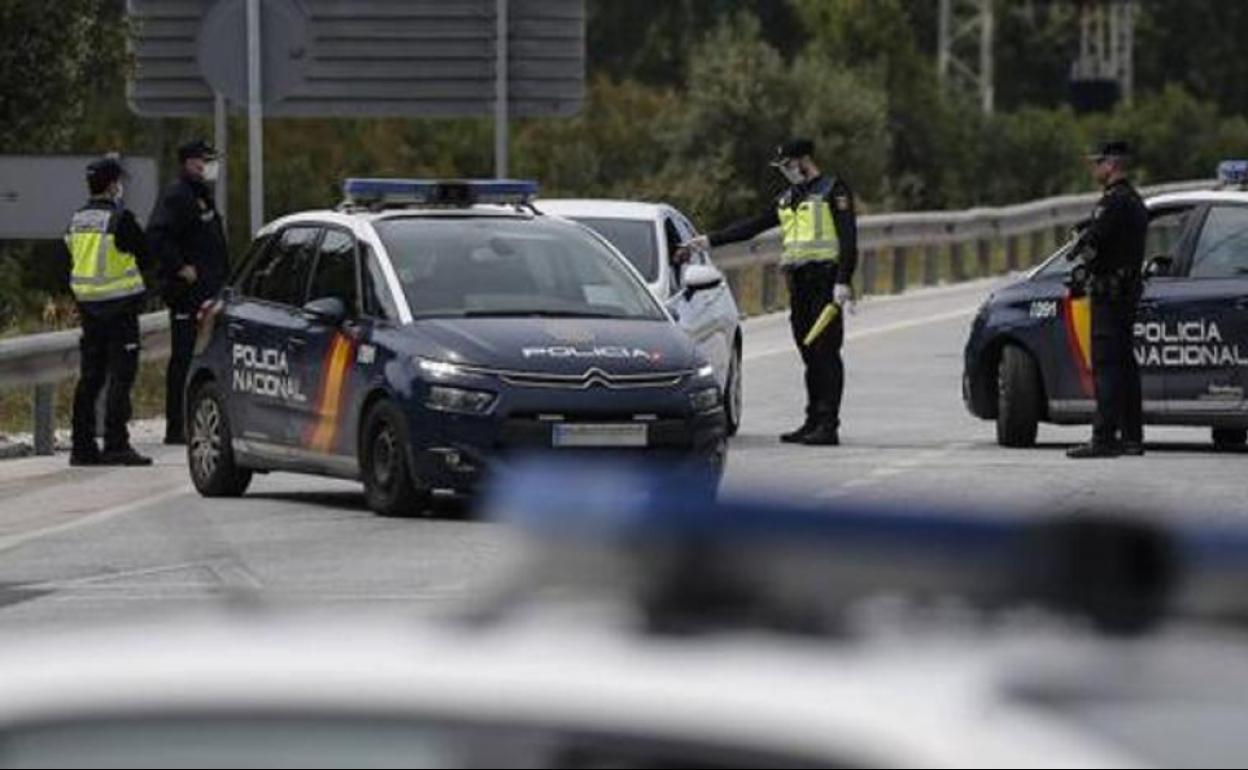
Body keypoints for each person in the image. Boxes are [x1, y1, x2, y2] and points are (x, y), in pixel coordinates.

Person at [681, 138, 858, 445]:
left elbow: (848, 238)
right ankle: (812, 420)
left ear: (804, 160)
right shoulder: (789, 197)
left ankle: (828, 425)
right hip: (799, 284)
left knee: (825, 353)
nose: (785, 171)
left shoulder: (833, 190)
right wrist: (709, 241)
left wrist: (843, 281)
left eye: (788, 165)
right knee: (808, 353)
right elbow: (754, 226)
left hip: (825, 281)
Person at [61, 155, 156, 466]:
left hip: (89, 309)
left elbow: (68, 260)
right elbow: (147, 254)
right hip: (120, 308)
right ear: (113, 185)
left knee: (90, 378)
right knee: (120, 377)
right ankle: (116, 443)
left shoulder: (76, 220)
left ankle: (82, 447)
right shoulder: (120, 219)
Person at [1066, 141, 1148, 459]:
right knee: (1125, 366)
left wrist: (1081, 245)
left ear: (1111, 165)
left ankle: (1104, 438)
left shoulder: (1113, 203)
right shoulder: (1135, 200)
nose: (1093, 168)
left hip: (1110, 297)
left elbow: (1094, 243)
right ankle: (1131, 438)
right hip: (1126, 294)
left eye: (1097, 163)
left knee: (1107, 367)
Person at [148, 139, 229, 446]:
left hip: (208, 291)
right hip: (187, 294)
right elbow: (157, 236)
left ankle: (195, 420)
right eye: (202, 161)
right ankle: (176, 426)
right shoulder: (178, 195)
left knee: (205, 360)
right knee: (183, 359)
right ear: (189, 163)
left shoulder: (201, 194)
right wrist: (180, 267)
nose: (207, 167)